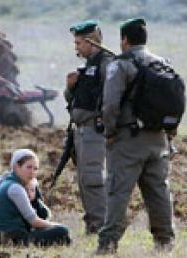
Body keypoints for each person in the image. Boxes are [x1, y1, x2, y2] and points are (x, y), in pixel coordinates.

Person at [97, 18, 175, 254]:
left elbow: (110, 105)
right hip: (158, 138)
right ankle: (165, 242)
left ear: (124, 40)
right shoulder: (162, 63)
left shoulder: (120, 65)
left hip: (128, 138)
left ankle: (108, 243)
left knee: (118, 190)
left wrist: (109, 132)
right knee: (159, 191)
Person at [64, 20, 112, 234]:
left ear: (91, 41)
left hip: (96, 130)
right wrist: (70, 87)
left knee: (93, 178)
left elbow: (111, 98)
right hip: (82, 130)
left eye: (79, 43)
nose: (76, 48)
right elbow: (77, 100)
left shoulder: (106, 63)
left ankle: (100, 225)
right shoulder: (89, 65)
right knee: (85, 179)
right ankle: (93, 222)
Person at [0, 149, 71, 247]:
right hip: (11, 237)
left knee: (56, 232)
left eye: (35, 169)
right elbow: (34, 221)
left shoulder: (11, 182)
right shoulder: (15, 188)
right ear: (16, 167)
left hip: (5, 234)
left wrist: (35, 198)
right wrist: (57, 226)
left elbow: (44, 215)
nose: (32, 172)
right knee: (62, 231)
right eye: (28, 167)